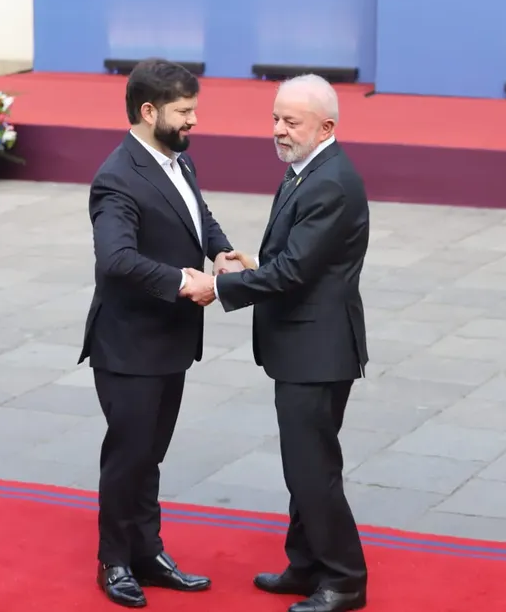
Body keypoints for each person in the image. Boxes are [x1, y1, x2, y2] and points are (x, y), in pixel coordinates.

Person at [181, 74, 369, 612]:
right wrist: (253, 266)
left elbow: (292, 273)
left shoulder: (330, 181)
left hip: (318, 350)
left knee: (313, 468)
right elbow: (301, 263)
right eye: (275, 118)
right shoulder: (306, 171)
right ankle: (307, 564)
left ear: (326, 126)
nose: (279, 131)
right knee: (304, 463)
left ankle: (344, 578)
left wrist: (218, 287)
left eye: (292, 122)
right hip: (305, 345)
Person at [79, 58, 242, 608]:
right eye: (184, 111)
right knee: (128, 455)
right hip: (129, 345)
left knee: (151, 453)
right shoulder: (117, 177)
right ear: (149, 112)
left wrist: (219, 250)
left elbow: (198, 215)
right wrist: (181, 282)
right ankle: (116, 560)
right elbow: (116, 259)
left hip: (169, 340)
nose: (194, 120)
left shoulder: (177, 162)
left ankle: (148, 550)